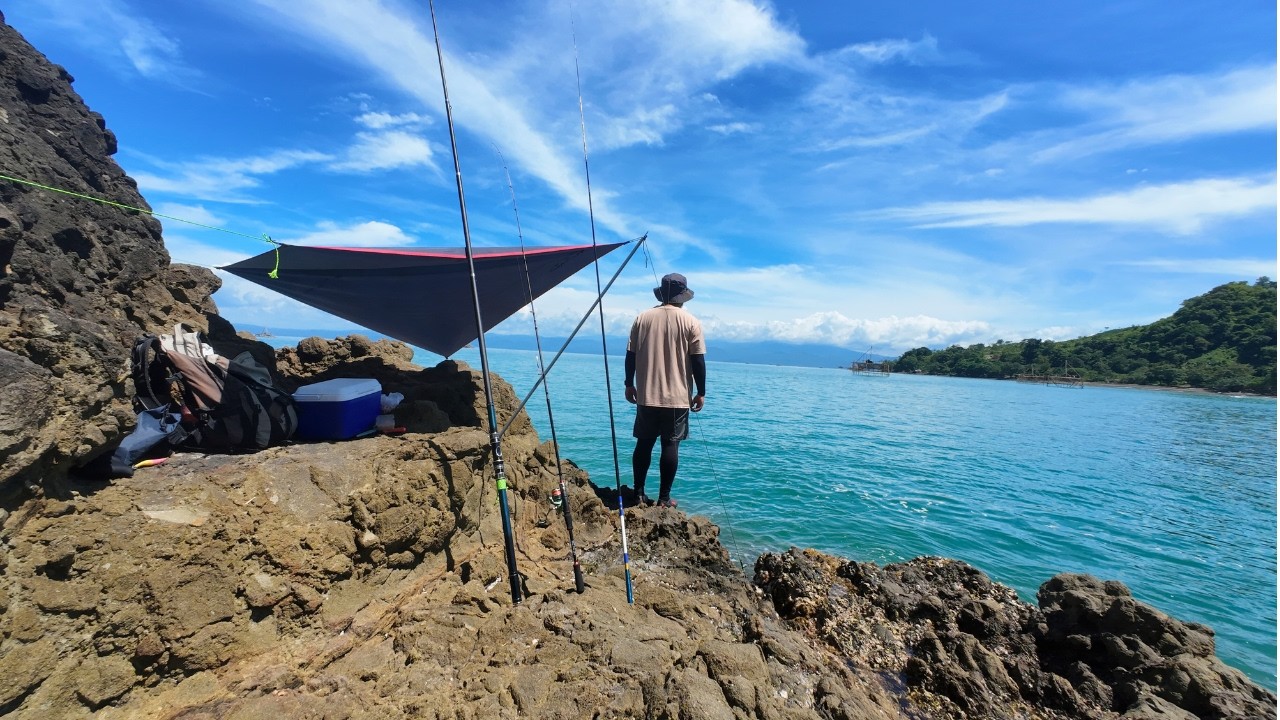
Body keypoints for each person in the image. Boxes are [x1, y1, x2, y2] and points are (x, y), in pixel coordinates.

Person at [624, 272, 706, 508]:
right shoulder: (691, 322)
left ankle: (638, 493)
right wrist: (701, 392)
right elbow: (698, 361)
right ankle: (663, 499)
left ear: (662, 294)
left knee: (644, 443)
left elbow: (630, 356)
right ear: (683, 296)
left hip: (646, 394)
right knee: (670, 445)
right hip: (677, 397)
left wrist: (629, 384)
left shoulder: (642, 318)